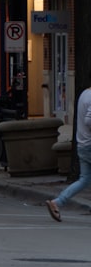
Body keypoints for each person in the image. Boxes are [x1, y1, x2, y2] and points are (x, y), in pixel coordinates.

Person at [46, 84, 91, 222]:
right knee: (84, 179)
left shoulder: (84, 93)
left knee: (84, 179)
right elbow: (89, 120)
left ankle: (57, 202)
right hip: (89, 144)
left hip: (82, 143)